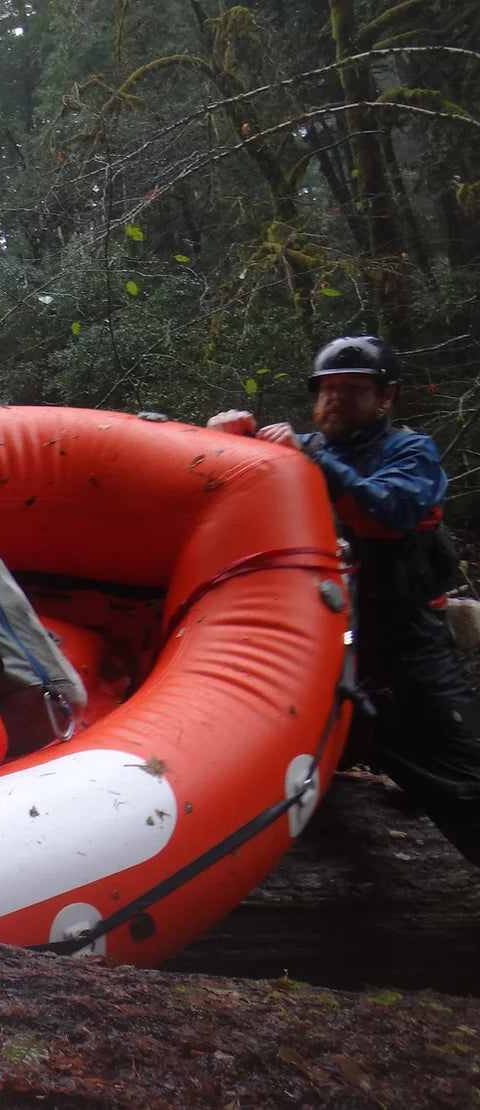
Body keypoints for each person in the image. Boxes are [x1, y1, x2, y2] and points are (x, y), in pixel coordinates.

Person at [208, 335, 480, 866]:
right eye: (328, 389)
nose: (336, 399)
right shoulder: (296, 450)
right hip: (313, 649)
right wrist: (225, 441)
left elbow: (390, 512)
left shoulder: (409, 452)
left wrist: (311, 459)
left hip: (403, 647)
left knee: (465, 780)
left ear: (385, 398)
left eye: (353, 390)